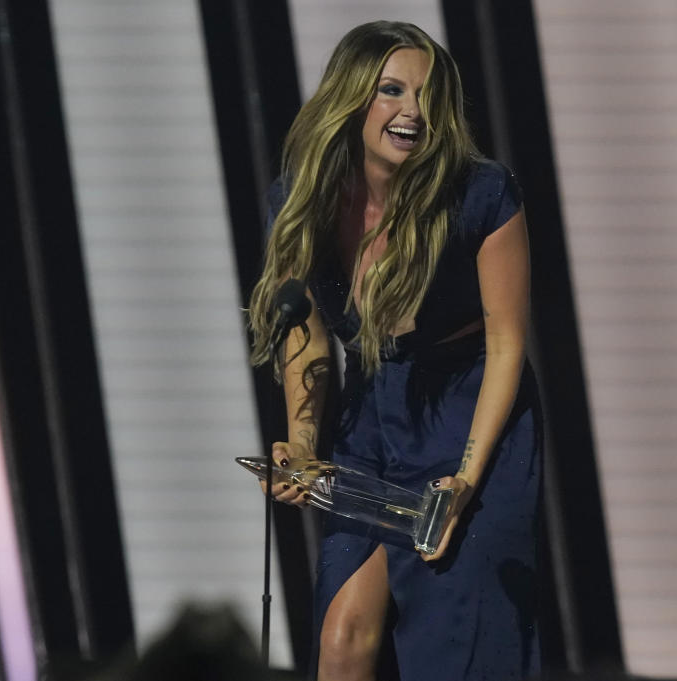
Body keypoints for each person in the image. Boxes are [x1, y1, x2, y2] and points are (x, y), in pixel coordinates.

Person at [248, 21, 542, 681]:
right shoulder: (301, 200)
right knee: (344, 638)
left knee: (458, 646)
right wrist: (300, 440)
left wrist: (465, 478)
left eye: (427, 95)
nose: (413, 111)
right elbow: (309, 330)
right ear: (352, 99)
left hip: (473, 410)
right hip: (375, 412)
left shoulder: (482, 194)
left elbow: (506, 342)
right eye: (392, 90)